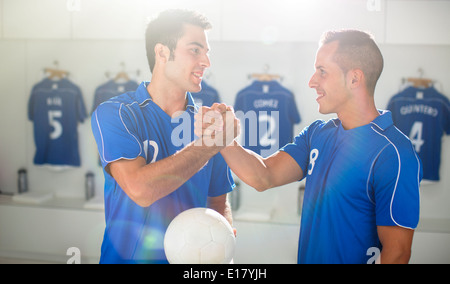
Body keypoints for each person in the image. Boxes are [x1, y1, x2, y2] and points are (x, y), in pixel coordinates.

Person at [196, 30, 422, 264]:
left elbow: (397, 253)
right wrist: (221, 137)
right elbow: (263, 175)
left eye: (322, 71)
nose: (312, 81)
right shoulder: (317, 134)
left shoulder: (394, 153)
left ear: (355, 78)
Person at [91, 9, 237, 264]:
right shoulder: (116, 114)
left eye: (207, 52)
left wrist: (221, 249)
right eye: (195, 50)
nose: (206, 62)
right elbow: (140, 189)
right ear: (162, 52)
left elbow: (218, 201)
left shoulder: (209, 122)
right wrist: (210, 144)